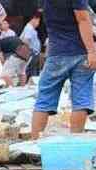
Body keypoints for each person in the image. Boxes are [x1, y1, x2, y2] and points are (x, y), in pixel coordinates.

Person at [31, 0, 96, 138]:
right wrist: (92, 51)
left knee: (44, 100)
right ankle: (74, 141)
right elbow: (83, 19)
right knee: (81, 100)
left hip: (56, 53)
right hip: (80, 53)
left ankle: (34, 144)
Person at [20, 12, 42, 79]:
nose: (38, 24)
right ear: (34, 19)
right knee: (32, 72)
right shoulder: (29, 28)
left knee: (34, 71)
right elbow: (26, 41)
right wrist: (30, 51)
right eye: (38, 21)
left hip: (34, 53)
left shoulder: (30, 28)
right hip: (31, 53)